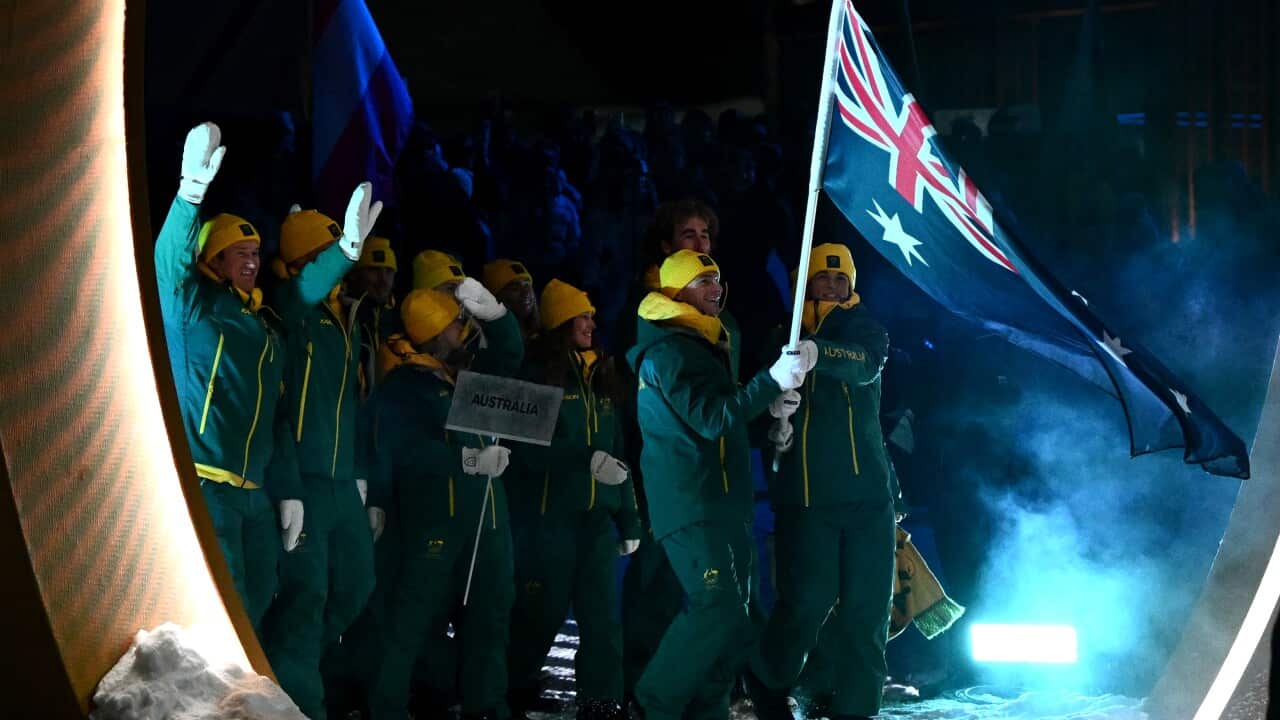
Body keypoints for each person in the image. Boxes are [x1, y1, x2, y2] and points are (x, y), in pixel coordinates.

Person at [625, 249, 815, 720]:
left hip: (725, 503)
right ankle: (651, 705)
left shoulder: (704, 345)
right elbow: (712, 419)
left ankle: (707, 708)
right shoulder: (669, 353)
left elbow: (723, 420)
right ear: (676, 293)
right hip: (692, 503)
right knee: (719, 608)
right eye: (703, 280)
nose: (716, 288)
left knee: (736, 620)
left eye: (717, 279)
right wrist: (770, 381)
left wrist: (770, 415)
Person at [154, 122, 305, 628]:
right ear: (212, 260)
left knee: (260, 597)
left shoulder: (263, 325)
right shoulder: (191, 306)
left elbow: (276, 418)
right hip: (205, 483)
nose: (252, 262)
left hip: (253, 492)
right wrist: (189, 195)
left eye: (256, 254)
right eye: (238, 254)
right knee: (228, 606)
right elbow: (168, 261)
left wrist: (288, 490)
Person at [362, 279, 524, 720]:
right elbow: (405, 451)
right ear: (434, 332)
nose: (464, 330)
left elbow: (509, 359)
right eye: (456, 324)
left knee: (491, 617)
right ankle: (388, 708)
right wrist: (469, 459)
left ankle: (486, 706)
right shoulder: (402, 388)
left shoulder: (463, 376)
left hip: (488, 521)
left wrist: (498, 317)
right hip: (433, 522)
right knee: (409, 622)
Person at [748, 243, 897, 720]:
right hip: (806, 499)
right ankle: (769, 682)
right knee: (807, 602)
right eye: (823, 278)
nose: (833, 286)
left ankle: (855, 707)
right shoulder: (779, 335)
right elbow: (751, 406)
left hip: (869, 497)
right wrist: (774, 426)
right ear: (804, 283)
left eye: (841, 279)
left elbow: (864, 363)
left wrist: (816, 352)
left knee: (867, 611)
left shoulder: (865, 329)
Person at [259, 192, 383, 720]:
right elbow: (306, 288)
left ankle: (288, 667)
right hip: (301, 481)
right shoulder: (290, 306)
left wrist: (359, 475)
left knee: (357, 585)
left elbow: (350, 405)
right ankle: (299, 703)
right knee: (305, 597)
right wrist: (347, 252)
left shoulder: (343, 317)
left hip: (339, 483)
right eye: (328, 250)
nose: (337, 261)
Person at [506, 279, 640, 720]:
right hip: (548, 519)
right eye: (582, 315)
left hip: (596, 521)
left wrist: (629, 518)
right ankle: (510, 688)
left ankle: (601, 702)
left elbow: (618, 449)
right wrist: (585, 458)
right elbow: (526, 447)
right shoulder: (535, 372)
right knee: (538, 614)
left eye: (591, 315)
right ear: (562, 321)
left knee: (602, 617)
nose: (591, 322)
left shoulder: (602, 370)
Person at [483, 258, 539, 344]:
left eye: (527, 285)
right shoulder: (492, 344)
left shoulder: (541, 335)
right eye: (515, 289)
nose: (526, 293)